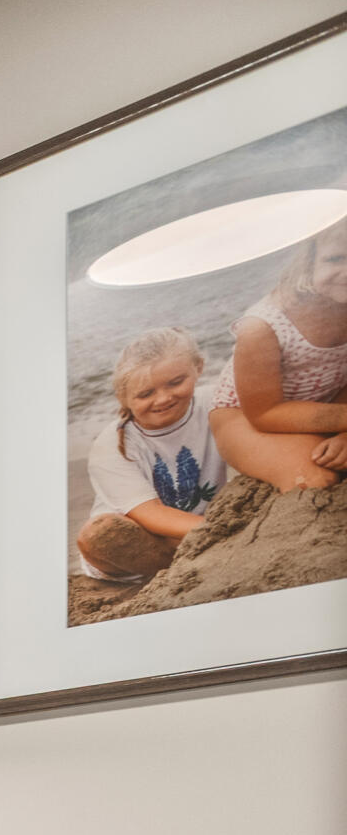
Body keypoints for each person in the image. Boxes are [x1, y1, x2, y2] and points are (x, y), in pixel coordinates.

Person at [210, 216, 347, 493]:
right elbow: (265, 413)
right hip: (247, 417)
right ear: (306, 263)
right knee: (316, 479)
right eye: (336, 259)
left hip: (329, 403)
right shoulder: (263, 327)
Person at [79, 326, 225, 582]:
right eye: (146, 394)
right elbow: (151, 514)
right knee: (98, 533)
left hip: (198, 527)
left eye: (176, 382)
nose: (163, 398)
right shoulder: (112, 445)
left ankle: (200, 555)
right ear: (123, 398)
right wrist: (227, 529)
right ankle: (190, 559)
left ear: (198, 367)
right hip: (137, 544)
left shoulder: (218, 400)